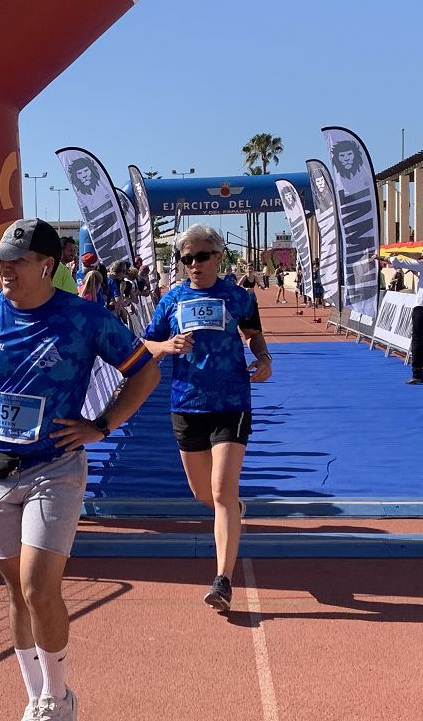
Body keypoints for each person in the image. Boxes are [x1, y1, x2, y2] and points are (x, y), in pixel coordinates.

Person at [0, 218, 159, 721]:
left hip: (56, 466)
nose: (4, 267)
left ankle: (58, 694)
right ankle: (34, 696)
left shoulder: (83, 318)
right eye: (1, 259)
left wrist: (102, 424)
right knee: (15, 590)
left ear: (47, 265)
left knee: (36, 586)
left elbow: (145, 369)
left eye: (17, 259)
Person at [142, 225, 272, 612]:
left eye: (200, 256)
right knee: (205, 495)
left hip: (231, 400)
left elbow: (252, 332)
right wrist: (166, 346)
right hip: (186, 402)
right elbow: (146, 344)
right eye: (186, 259)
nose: (193, 264)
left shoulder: (238, 296)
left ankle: (222, 581)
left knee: (220, 491)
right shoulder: (172, 300)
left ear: (218, 257)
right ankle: (233, 509)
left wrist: (263, 357)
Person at [383, 240, 423, 385]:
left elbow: (406, 263)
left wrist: (387, 258)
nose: (422, 255)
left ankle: (417, 374)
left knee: (417, 340)